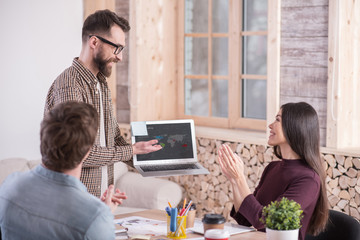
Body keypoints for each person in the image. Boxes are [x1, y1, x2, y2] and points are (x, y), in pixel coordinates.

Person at [44, 9, 162, 197]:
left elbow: (113, 138)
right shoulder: (69, 87)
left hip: (97, 199)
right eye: (117, 48)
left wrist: (151, 161)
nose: (120, 57)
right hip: (72, 201)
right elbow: (81, 153)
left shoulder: (101, 84)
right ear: (94, 42)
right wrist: (131, 150)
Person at [0, 101, 125, 239]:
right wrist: (101, 216)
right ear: (88, 151)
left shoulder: (9, 186)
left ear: (43, 138)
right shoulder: (94, 217)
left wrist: (100, 213)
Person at [218, 102, 329, 240]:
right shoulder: (272, 168)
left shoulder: (308, 180)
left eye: (277, 120)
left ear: (294, 127)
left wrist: (240, 178)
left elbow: (265, 220)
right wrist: (234, 180)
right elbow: (245, 219)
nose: (270, 125)